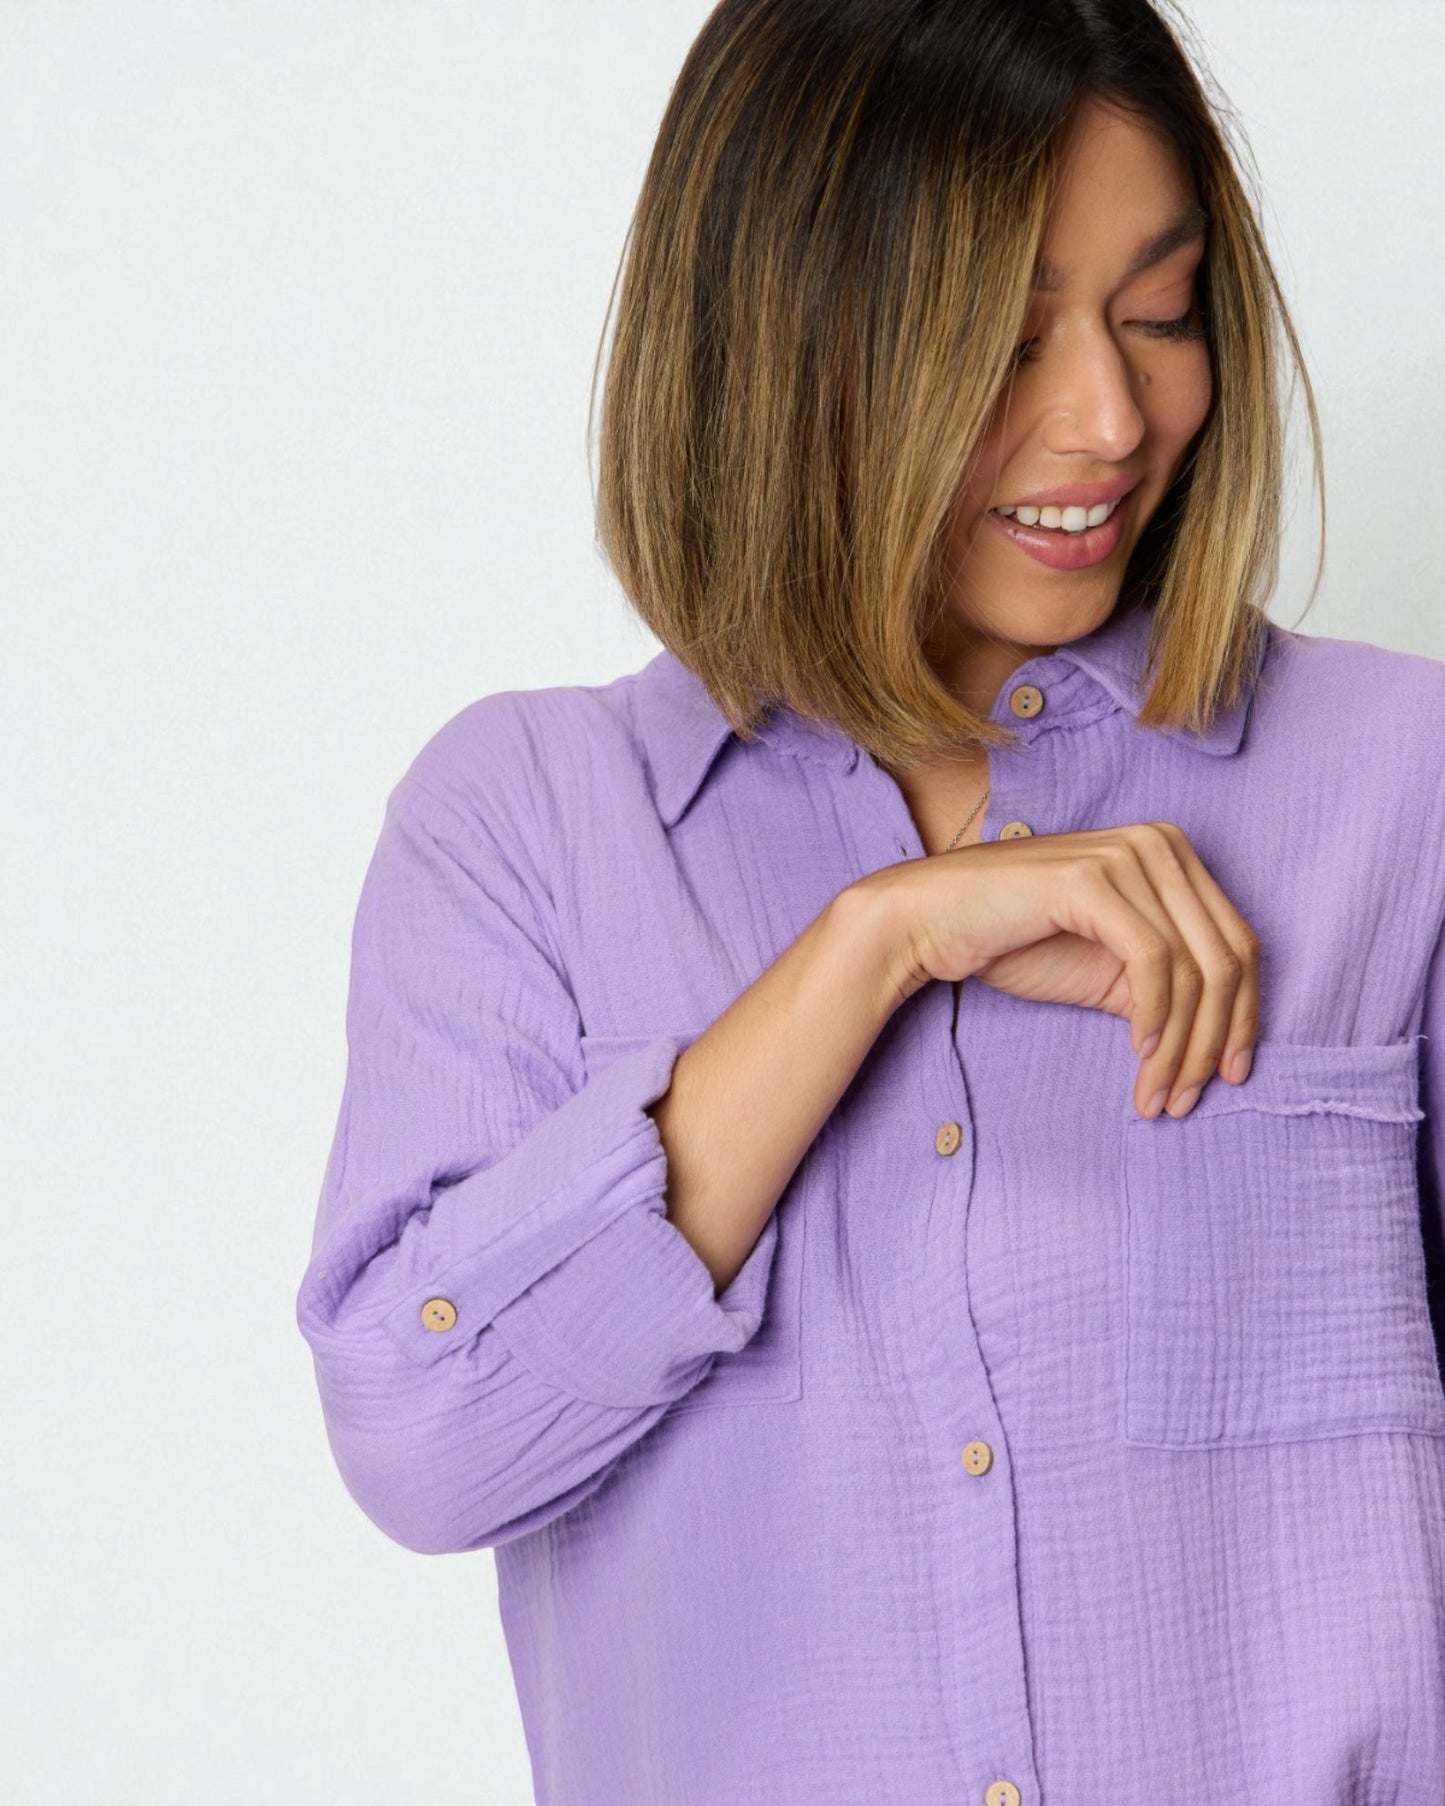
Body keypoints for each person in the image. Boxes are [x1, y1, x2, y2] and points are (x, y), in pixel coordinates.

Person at [295, 2, 1445, 1799]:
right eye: (997, 341)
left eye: (1158, 311)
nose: (1108, 414)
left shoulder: (1403, 790)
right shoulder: (524, 826)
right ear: (776, 347)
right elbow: (425, 1438)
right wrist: (878, 940)